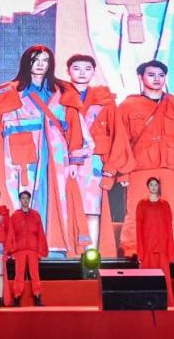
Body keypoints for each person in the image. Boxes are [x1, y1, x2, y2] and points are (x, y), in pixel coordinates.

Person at [105, 60, 174, 256]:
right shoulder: (127, 106)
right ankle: (132, 250)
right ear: (141, 77)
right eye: (151, 74)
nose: (157, 79)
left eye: (161, 75)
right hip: (140, 165)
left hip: (173, 165)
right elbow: (120, 140)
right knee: (136, 210)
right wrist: (122, 173)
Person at [0, 46, 82, 255]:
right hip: (21, 157)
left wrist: (75, 159)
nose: (40, 64)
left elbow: (76, 126)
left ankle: (53, 245)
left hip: (55, 156)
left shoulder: (63, 92)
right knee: (23, 197)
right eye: (35, 59)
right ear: (26, 62)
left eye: (45, 60)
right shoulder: (9, 92)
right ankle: (23, 245)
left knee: (54, 197)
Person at [61, 54, 117, 253]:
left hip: (93, 162)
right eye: (77, 68)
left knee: (92, 209)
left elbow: (116, 134)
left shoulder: (105, 101)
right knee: (65, 208)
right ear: (68, 71)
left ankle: (90, 254)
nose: (82, 73)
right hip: (64, 159)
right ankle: (68, 254)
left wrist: (111, 168)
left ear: (94, 72)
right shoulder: (58, 98)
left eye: (87, 69)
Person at [136, 176, 174, 306]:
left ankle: (165, 302)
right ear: (148, 187)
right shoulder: (142, 204)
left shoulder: (165, 205)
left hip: (162, 246)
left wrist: (170, 251)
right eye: (151, 185)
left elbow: (169, 228)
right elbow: (139, 229)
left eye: (156, 185)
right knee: (147, 277)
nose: (154, 187)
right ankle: (146, 302)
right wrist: (140, 252)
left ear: (159, 187)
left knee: (164, 277)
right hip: (148, 246)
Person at [7, 190, 48, 306]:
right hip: (20, 249)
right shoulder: (14, 216)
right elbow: (11, 233)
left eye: (27, 198)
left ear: (29, 200)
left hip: (32, 249)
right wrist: (11, 250)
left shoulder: (35, 215)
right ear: (20, 200)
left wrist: (41, 250)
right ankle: (16, 297)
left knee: (34, 274)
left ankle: (37, 297)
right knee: (19, 274)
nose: (25, 200)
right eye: (23, 198)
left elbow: (40, 233)